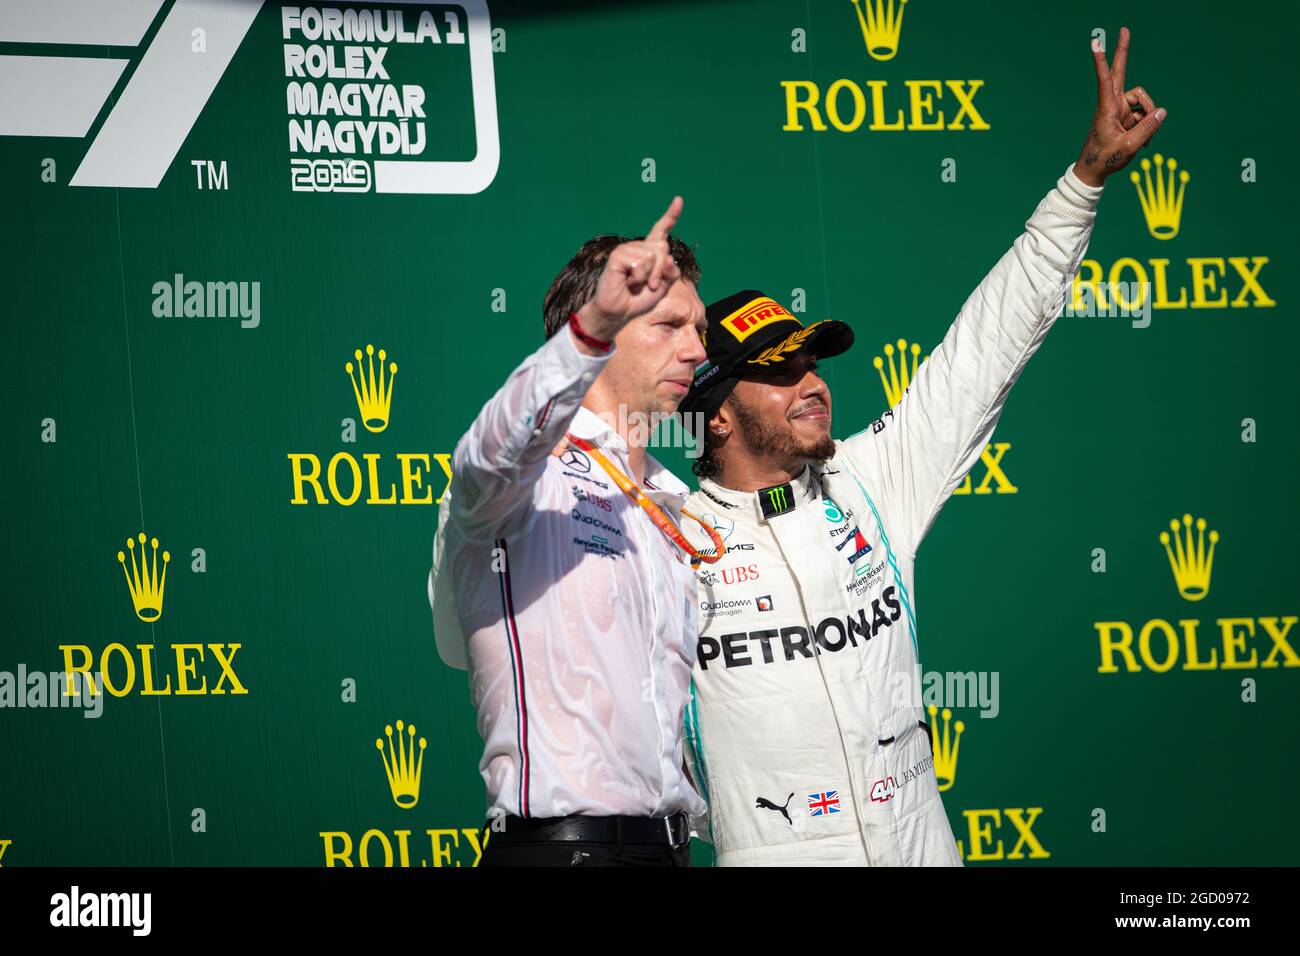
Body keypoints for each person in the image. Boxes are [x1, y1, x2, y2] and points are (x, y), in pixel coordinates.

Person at [676, 27, 1165, 865]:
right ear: (715, 414)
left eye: (815, 360)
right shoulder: (663, 541)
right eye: (780, 370)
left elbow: (985, 347)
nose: (814, 382)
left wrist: (1084, 181)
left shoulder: (869, 481)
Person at [429, 198, 717, 866]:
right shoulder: (529, 478)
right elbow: (491, 453)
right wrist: (590, 332)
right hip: (562, 852)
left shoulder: (674, 502)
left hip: (671, 851)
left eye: (698, 328)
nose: (698, 350)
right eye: (670, 324)